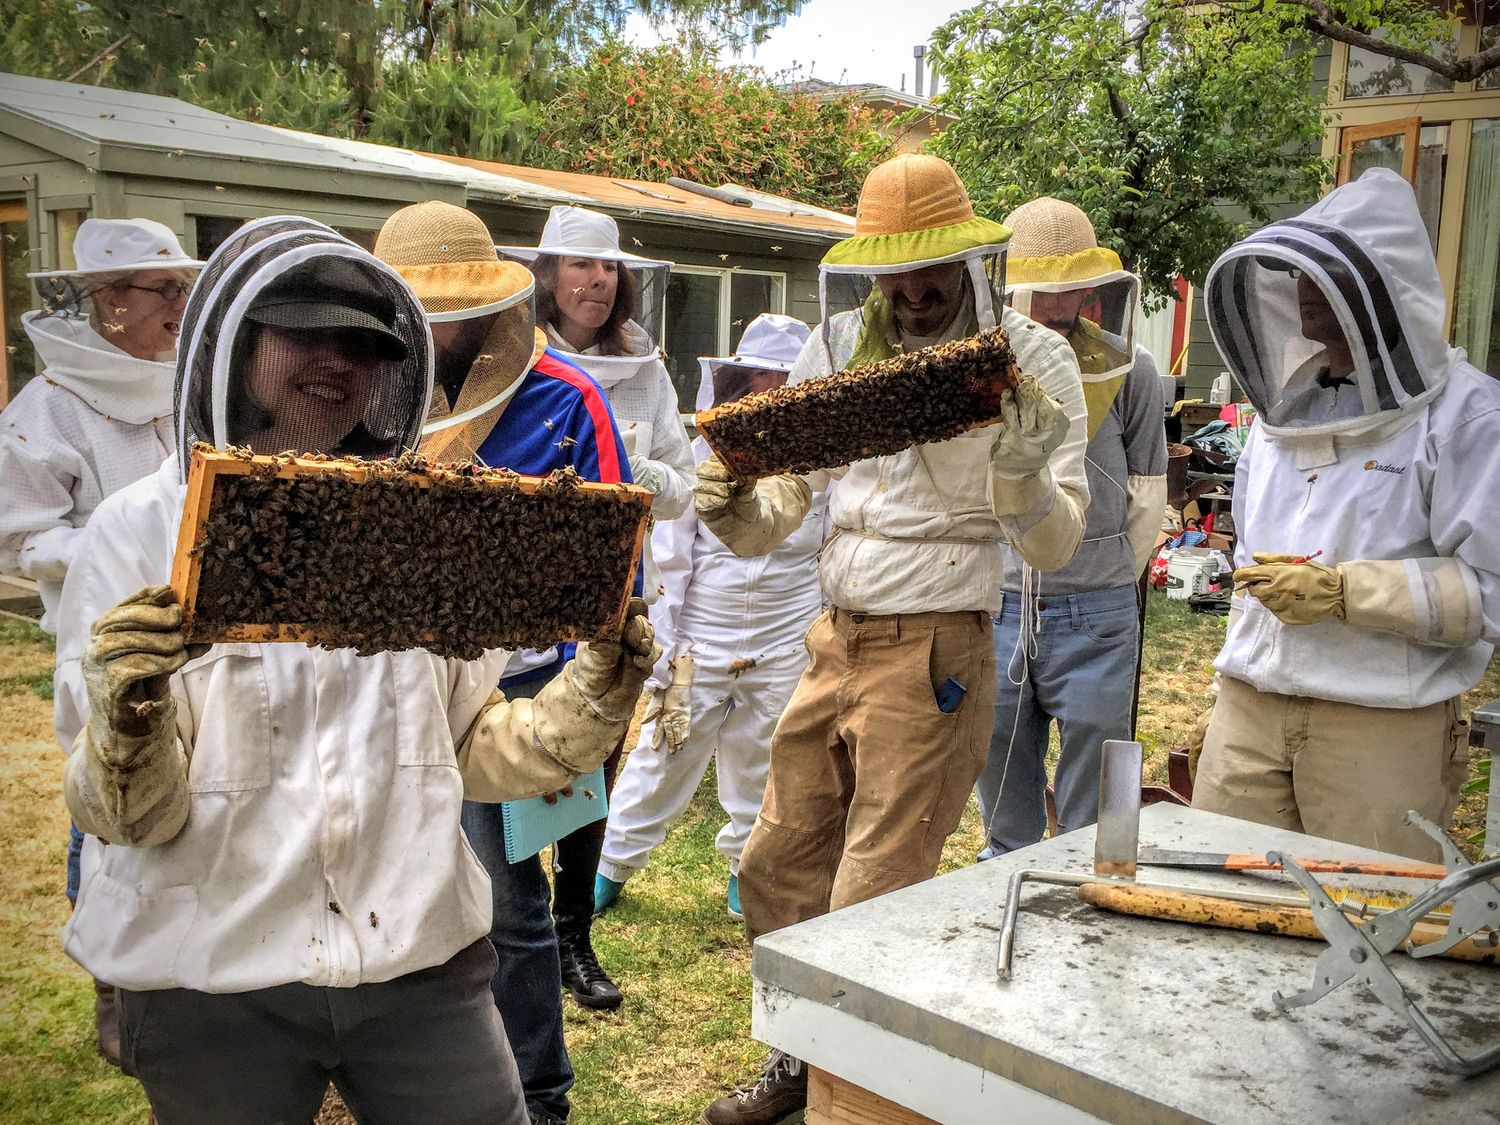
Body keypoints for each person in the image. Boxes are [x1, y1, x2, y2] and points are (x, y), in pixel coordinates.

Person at [53, 217, 658, 1125]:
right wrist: (125, 720)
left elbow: (472, 747)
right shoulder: (137, 534)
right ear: (238, 340)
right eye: (306, 331)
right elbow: (125, 816)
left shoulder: (420, 528)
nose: (338, 361)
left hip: (420, 963)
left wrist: (596, 693)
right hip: (211, 971)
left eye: (365, 344)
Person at [696, 153, 1090, 1125]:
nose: (913, 293)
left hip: (938, 651)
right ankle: (803, 1061)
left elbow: (1059, 540)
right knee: (775, 865)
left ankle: (853, 1103)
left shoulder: (1033, 362)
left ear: (970, 258)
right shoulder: (836, 345)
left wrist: (1023, 474)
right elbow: (787, 498)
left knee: (874, 895)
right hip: (833, 638)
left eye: (933, 270)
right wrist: (733, 506)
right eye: (896, 272)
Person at [374, 200, 633, 1124]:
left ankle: (540, 1095)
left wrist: (589, 676)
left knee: (511, 904)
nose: (439, 328)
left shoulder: (568, 397)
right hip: (386, 684)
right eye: (418, 307)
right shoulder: (362, 395)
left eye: (455, 306)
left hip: (518, 684)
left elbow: (614, 551)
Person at [1193, 167, 1500, 861]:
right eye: (1299, 271)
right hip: (1250, 711)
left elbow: (1489, 592)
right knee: (1213, 905)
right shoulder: (1283, 414)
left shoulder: (1466, 415)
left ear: (1388, 289)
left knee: (1367, 928)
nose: (1305, 288)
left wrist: (1346, 594)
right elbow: (1251, 553)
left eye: (1327, 272)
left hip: (1380, 726)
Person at [0, 216, 204, 1064]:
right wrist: (119, 544)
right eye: (164, 289)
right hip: (101, 629)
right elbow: (18, 539)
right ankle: (112, 981)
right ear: (109, 301)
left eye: (185, 288)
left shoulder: (185, 387)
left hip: (192, 634)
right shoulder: (46, 409)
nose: (180, 304)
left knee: (184, 774)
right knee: (109, 788)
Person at [503, 205, 696, 1009]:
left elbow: (683, 490)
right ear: (546, 275)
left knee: (590, 775)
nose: (596, 279)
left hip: (607, 605)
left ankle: (573, 938)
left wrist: (641, 470)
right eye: (580, 265)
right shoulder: (509, 359)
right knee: (508, 774)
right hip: (519, 607)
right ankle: (517, 941)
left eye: (608, 266)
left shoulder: (646, 369)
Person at [597, 314, 827, 920]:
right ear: (737, 382)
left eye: (784, 380)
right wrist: (669, 648)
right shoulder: (708, 454)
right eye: (759, 379)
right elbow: (673, 559)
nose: (770, 393)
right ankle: (610, 866)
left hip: (785, 641)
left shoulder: (825, 467)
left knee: (764, 758)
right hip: (699, 641)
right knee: (660, 755)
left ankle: (744, 868)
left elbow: (829, 555)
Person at [975, 196, 1167, 856]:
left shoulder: (1135, 371)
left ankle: (1090, 932)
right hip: (996, 607)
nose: (1057, 315)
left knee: (1095, 827)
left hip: (1098, 613)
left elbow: (1147, 494)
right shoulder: (984, 367)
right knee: (1003, 807)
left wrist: (1104, 580)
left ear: (1092, 290)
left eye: (1069, 298)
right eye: (1041, 300)